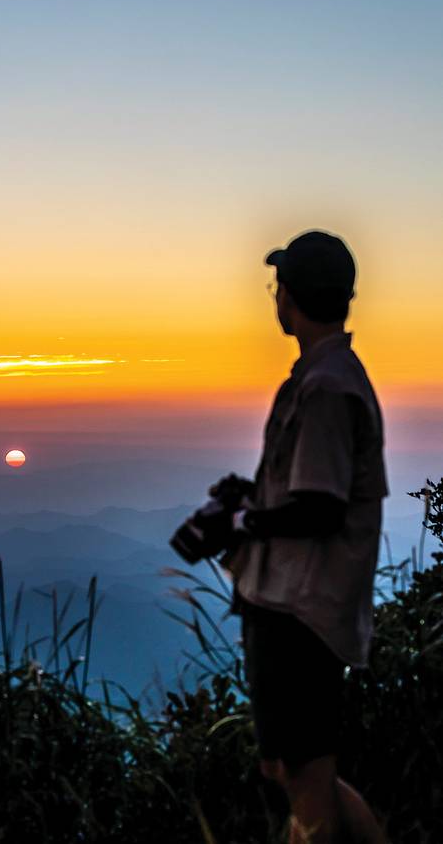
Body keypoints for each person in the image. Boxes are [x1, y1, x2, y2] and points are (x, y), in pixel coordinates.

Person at [175, 230, 388, 843]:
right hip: (292, 601)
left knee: (306, 777)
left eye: (278, 287)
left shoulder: (325, 387)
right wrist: (253, 493)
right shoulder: (325, 377)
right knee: (288, 766)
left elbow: (320, 508)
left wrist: (244, 522)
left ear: (289, 297)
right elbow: (312, 488)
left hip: (302, 607)